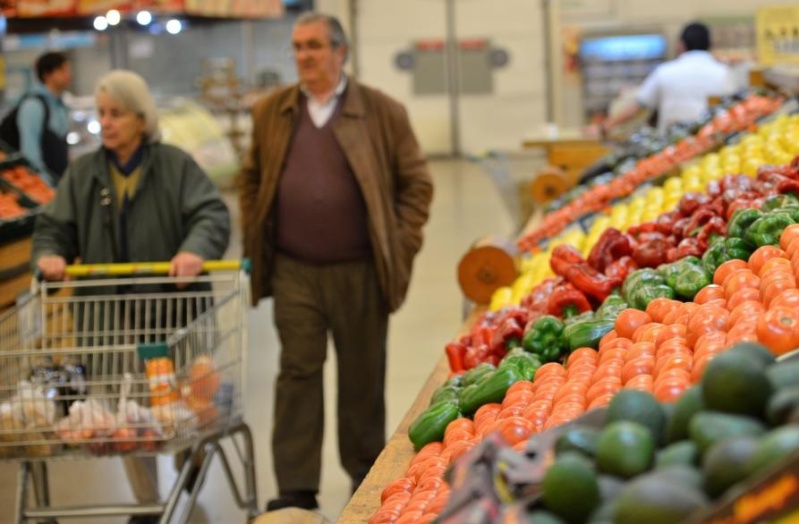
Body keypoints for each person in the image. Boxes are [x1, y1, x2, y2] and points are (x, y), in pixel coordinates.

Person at [238, 11, 433, 512]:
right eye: (298, 47)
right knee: (297, 374)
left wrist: (400, 244)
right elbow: (251, 180)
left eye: (314, 46)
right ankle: (295, 488)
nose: (304, 56)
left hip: (361, 270)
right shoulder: (273, 112)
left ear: (340, 52)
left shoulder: (382, 112)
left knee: (362, 378)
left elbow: (417, 185)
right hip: (294, 270)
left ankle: (365, 476)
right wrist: (257, 236)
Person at [31, 70, 231, 524]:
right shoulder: (83, 174)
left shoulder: (176, 166)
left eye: (116, 114)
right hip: (109, 321)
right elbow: (53, 228)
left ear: (142, 118)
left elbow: (211, 214)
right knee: (129, 416)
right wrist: (49, 255)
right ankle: (146, 504)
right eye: (102, 113)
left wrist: (194, 250)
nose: (106, 122)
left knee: (185, 407)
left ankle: (192, 456)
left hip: (173, 315)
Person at [599, 22, 735, 136]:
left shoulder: (664, 72)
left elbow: (637, 106)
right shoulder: (724, 73)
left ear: (681, 45)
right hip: (712, 143)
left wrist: (605, 127)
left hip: (672, 147)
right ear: (710, 45)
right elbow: (734, 108)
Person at [17, 51, 72, 182]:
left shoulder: (60, 105)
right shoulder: (33, 106)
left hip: (59, 183)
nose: (68, 75)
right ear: (47, 75)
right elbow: (30, 153)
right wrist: (44, 185)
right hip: (43, 187)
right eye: (62, 70)